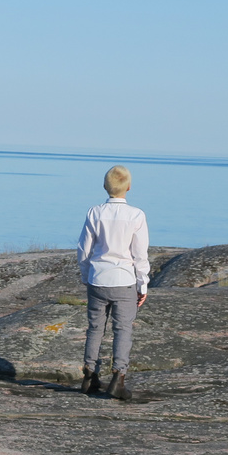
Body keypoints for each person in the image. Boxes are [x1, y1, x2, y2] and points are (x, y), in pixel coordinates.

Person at [77, 164, 150, 402]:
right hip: (124, 280)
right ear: (128, 186)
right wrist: (143, 285)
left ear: (105, 186)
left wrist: (87, 275)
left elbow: (84, 251)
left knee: (95, 328)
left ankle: (90, 375)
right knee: (123, 329)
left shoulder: (94, 212)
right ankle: (118, 378)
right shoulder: (136, 215)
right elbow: (140, 255)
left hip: (98, 278)